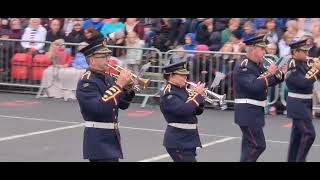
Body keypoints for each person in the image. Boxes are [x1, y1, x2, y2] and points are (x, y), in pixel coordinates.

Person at [76, 38, 135, 162]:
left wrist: (128, 89)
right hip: (97, 140)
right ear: (92, 60)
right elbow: (99, 108)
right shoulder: (86, 81)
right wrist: (119, 85)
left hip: (111, 137)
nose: (108, 59)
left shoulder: (107, 78)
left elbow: (122, 105)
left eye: (108, 56)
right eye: (103, 57)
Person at [233, 35, 286, 162]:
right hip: (247, 111)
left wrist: (280, 75)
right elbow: (254, 86)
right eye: (262, 49)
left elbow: (266, 82)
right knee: (258, 145)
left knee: (249, 146)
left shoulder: (257, 65)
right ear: (252, 50)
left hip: (255, 111)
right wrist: (269, 73)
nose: (264, 52)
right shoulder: (243, 66)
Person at [160, 60, 206, 162]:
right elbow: (183, 111)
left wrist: (200, 99)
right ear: (171, 76)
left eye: (186, 75)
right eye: (182, 75)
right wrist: (196, 96)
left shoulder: (182, 89)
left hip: (188, 138)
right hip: (178, 141)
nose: (185, 77)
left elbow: (196, 112)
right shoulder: (168, 93)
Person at [285, 39, 320, 162]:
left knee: (297, 137)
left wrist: (317, 66)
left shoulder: (303, 63)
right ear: (295, 52)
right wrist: (315, 69)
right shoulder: (292, 65)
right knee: (309, 134)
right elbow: (303, 83)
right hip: (297, 104)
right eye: (304, 51)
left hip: (304, 104)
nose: (307, 53)